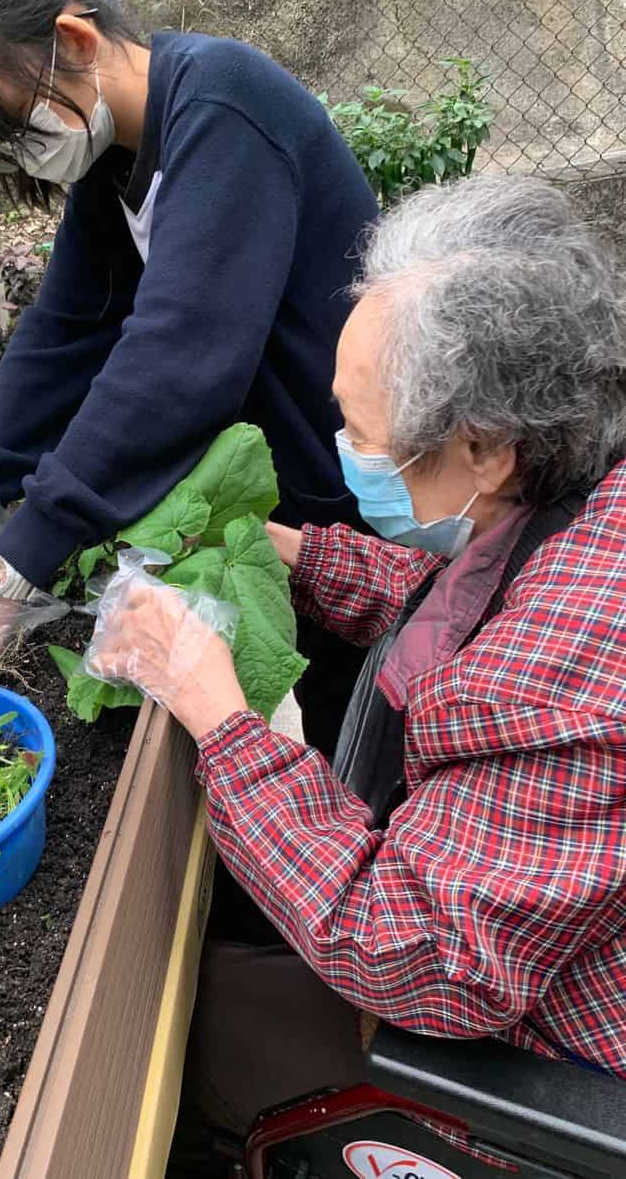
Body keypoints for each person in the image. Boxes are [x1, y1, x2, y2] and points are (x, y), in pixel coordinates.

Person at [85, 175, 626, 1168]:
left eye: (363, 436)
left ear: (481, 447)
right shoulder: (576, 494)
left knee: (209, 1007)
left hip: (558, 1048)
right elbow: (458, 592)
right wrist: (287, 551)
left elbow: (406, 948)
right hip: (535, 919)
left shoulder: (557, 685)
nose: (344, 454)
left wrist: (217, 716)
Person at [0, 0, 379, 756]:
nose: (21, 158)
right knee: (334, 716)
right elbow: (63, 333)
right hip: (288, 503)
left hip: (363, 495)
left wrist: (12, 570)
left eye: (15, 127)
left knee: (369, 729)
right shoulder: (115, 159)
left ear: (75, 41)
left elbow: (181, 359)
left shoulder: (225, 106)